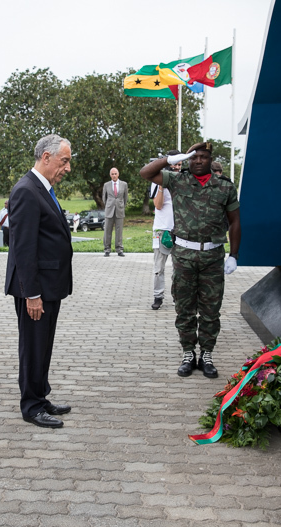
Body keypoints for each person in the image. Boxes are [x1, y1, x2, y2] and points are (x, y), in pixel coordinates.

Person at [139, 142, 241, 380]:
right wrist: (171, 159)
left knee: (210, 309)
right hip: (184, 255)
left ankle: (206, 354)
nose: (198, 161)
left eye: (203, 157)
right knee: (184, 308)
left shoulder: (224, 187)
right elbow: (145, 173)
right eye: (194, 157)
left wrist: (234, 255)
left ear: (210, 160)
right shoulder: (177, 180)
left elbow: (235, 221)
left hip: (213, 257)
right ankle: (187, 353)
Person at [5, 134, 73, 429]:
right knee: (33, 346)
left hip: (48, 286)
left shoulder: (42, 189)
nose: (67, 168)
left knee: (43, 345)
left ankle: (40, 396)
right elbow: (23, 248)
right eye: (64, 161)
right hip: (35, 289)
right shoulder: (26, 191)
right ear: (46, 157)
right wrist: (31, 293)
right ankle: (31, 405)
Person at [149, 150, 181, 310]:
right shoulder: (157, 180)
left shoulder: (184, 180)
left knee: (180, 268)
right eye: (174, 164)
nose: (177, 167)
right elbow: (158, 205)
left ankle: (178, 297)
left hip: (181, 230)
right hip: (162, 229)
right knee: (159, 268)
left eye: (180, 164)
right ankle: (158, 296)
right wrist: (163, 184)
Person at [102, 167, 128, 256]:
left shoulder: (124, 184)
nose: (114, 175)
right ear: (110, 175)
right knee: (107, 231)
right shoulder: (106, 185)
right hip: (109, 210)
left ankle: (119, 249)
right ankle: (107, 249)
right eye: (112, 174)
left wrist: (121, 206)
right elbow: (104, 198)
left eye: (115, 174)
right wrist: (109, 205)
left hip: (119, 210)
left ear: (118, 174)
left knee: (119, 231)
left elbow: (125, 198)